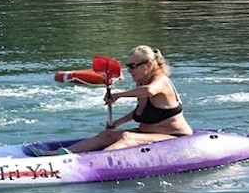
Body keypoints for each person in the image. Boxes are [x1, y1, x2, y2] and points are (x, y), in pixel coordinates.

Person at [34, 45, 192, 155]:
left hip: (175, 138)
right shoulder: (141, 82)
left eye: (133, 66)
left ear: (149, 64)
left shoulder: (161, 81)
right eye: (128, 66)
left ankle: (95, 161)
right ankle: (54, 154)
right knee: (106, 136)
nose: (129, 70)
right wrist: (117, 123)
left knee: (127, 137)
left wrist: (118, 95)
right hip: (149, 134)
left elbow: (150, 91)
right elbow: (139, 113)